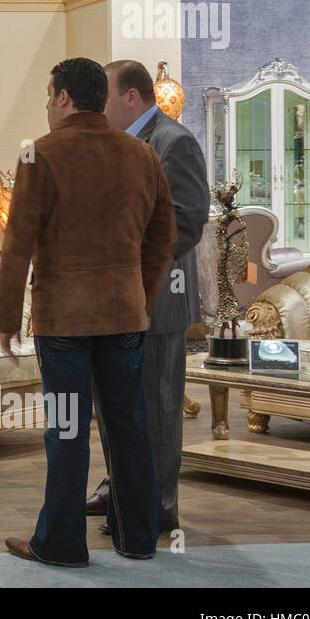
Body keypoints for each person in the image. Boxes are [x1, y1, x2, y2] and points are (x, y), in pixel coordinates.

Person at [0, 58, 176, 567]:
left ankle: (61, 544)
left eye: (49, 94)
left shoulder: (40, 154)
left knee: (69, 429)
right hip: (124, 315)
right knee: (128, 425)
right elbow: (163, 237)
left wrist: (7, 317)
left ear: (63, 98)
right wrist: (138, 292)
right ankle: (139, 539)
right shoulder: (141, 154)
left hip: (64, 318)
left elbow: (17, 245)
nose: (47, 105)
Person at [86, 61, 209, 535]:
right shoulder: (114, 145)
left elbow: (186, 221)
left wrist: (123, 256)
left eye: (106, 97)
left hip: (157, 301)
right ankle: (122, 488)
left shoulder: (173, 142)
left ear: (132, 97)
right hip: (113, 303)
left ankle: (159, 505)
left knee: (156, 409)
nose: (99, 107)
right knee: (115, 407)